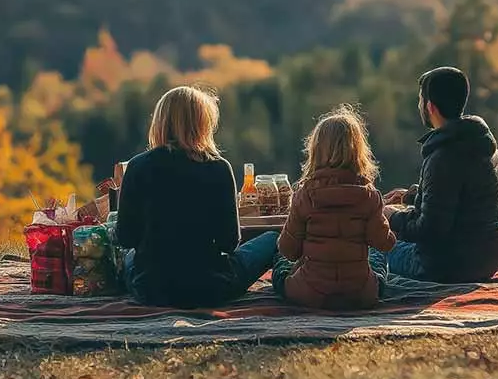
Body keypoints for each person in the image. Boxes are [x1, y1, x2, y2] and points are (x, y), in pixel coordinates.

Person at [115, 85, 279, 308]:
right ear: (203, 124)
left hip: (152, 289)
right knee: (272, 239)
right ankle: (288, 287)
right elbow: (229, 242)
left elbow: (125, 238)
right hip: (211, 287)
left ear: (160, 122)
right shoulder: (218, 168)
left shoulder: (137, 166)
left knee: (128, 259)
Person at [383, 66, 498, 283]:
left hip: (449, 264)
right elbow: (463, 200)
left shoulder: (443, 157)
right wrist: (410, 196)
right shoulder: (482, 143)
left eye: (420, 100)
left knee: (374, 248)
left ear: (430, 107)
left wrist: (391, 216)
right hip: (492, 254)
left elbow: (430, 230)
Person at [271, 105, 397, 310]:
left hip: (310, 293)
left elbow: (288, 250)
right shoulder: (370, 196)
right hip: (359, 295)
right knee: (377, 257)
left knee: (279, 260)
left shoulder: (304, 196)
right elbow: (385, 244)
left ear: (316, 150)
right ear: (359, 151)